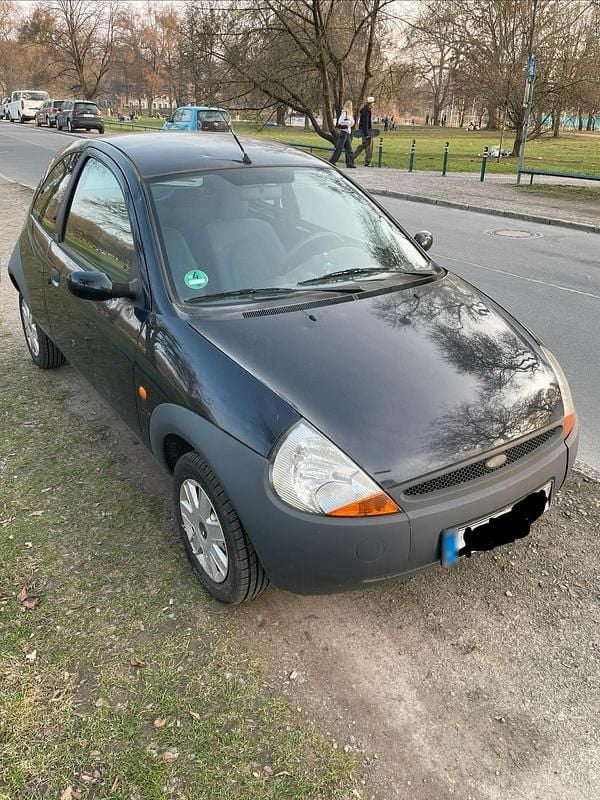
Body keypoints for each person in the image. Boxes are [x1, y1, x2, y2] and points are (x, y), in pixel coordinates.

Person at [329, 100, 355, 168]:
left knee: (349, 149)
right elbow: (340, 122)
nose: (351, 107)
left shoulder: (349, 114)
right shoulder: (344, 113)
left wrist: (350, 123)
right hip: (344, 131)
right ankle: (332, 161)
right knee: (339, 148)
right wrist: (348, 123)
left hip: (347, 132)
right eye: (350, 105)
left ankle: (350, 163)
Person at [354, 95, 375, 167]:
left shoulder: (365, 110)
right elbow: (365, 123)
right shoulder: (366, 111)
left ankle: (351, 158)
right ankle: (368, 162)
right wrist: (366, 134)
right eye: (373, 103)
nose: (373, 104)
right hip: (366, 132)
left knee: (363, 146)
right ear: (370, 103)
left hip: (365, 131)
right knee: (369, 147)